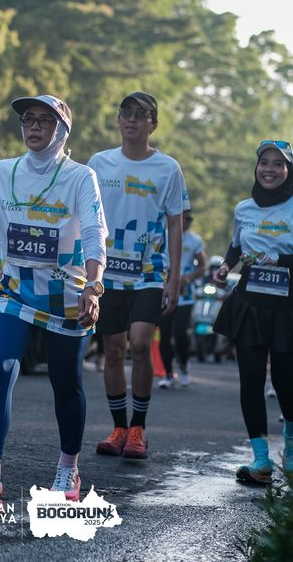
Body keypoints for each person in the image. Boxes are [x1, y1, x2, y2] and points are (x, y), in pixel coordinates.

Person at [0, 94, 107, 510]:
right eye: (28, 120)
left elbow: (95, 233)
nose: (34, 127)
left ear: (63, 130)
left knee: (65, 382)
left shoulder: (80, 177)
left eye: (45, 121)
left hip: (66, 293)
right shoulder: (4, 172)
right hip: (13, 289)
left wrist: (93, 286)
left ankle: (68, 469)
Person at [88, 92, 184, 460]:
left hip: (148, 274)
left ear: (152, 125)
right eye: (126, 113)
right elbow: (86, 217)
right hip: (107, 273)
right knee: (113, 350)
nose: (131, 120)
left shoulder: (168, 168)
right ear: (118, 120)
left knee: (141, 345)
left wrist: (174, 278)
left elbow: (175, 224)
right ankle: (119, 428)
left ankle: (139, 428)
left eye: (140, 115)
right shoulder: (99, 163)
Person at [213, 139, 293, 484]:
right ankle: (261, 459)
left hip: (286, 306)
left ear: (288, 171)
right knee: (250, 381)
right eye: (264, 163)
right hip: (250, 302)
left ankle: (291, 450)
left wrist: (279, 260)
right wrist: (225, 266)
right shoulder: (244, 208)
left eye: (278, 164)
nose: (269, 169)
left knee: (286, 383)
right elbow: (235, 246)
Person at [158, 210, 206, 388]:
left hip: (185, 295)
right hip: (163, 292)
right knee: (164, 334)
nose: (186, 221)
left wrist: (188, 278)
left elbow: (202, 265)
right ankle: (168, 373)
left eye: (189, 219)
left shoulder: (194, 240)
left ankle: (184, 366)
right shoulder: (161, 234)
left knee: (180, 332)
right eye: (184, 217)